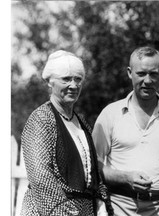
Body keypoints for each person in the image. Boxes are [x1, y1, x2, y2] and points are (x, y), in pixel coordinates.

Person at [92, 46, 159, 216]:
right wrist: (126, 178)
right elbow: (93, 166)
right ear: (130, 73)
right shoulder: (110, 113)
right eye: (141, 73)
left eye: (154, 74)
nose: (148, 80)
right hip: (117, 207)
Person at [21, 50, 113, 216]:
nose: (73, 85)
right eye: (66, 79)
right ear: (51, 82)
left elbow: (93, 175)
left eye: (78, 79)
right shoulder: (41, 119)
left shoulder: (82, 122)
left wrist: (101, 205)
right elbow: (41, 178)